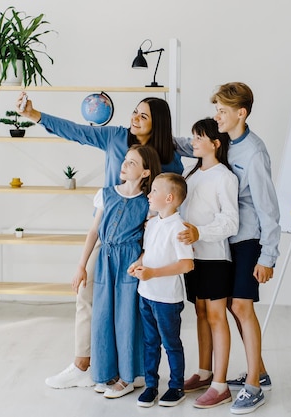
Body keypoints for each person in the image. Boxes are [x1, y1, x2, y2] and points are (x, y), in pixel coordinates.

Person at [16, 93, 183, 390]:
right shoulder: (116, 138)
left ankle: (132, 371)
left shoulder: (168, 157)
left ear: (157, 124)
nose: (134, 118)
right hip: (106, 237)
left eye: (143, 116)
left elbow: (174, 198)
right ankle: (84, 363)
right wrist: (35, 115)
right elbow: (78, 132)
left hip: (143, 245)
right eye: (135, 112)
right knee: (87, 294)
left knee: (133, 308)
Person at [174, 82, 281, 415]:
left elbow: (268, 208)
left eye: (221, 111)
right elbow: (188, 144)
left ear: (241, 113)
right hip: (222, 243)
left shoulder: (255, 153)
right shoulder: (220, 142)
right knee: (227, 309)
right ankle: (258, 373)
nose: (216, 115)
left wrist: (268, 256)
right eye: (216, 110)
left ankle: (252, 386)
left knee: (242, 308)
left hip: (248, 238)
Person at [78, 144, 162, 399]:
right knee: (103, 316)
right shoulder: (106, 194)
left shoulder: (148, 204)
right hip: (105, 259)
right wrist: (81, 266)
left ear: (146, 172)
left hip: (130, 264)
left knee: (127, 319)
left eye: (132, 163)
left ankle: (128, 377)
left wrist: (141, 261)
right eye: (125, 160)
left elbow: (152, 239)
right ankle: (107, 373)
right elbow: (94, 232)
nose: (124, 165)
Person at [177, 118, 239, 409]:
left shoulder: (224, 177)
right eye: (192, 137)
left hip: (214, 257)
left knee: (216, 316)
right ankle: (204, 372)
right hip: (194, 257)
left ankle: (220, 384)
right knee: (201, 312)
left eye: (199, 137)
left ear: (215, 144)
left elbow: (230, 221)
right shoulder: (192, 174)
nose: (193, 142)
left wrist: (200, 232)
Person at [128, 173, 194, 408]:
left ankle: (177, 386)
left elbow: (187, 264)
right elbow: (148, 252)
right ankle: (151, 386)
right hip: (146, 294)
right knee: (150, 343)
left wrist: (153, 273)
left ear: (169, 197)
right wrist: (138, 262)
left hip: (166, 298)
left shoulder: (179, 228)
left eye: (154, 190)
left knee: (171, 343)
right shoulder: (153, 223)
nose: (149, 194)